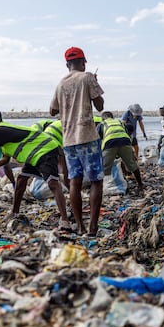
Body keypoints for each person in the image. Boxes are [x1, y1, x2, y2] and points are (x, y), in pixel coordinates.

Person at [0, 109, 73, 231]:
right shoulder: (4, 135)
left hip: (45, 150)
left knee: (53, 184)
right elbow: (4, 160)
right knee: (21, 181)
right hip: (33, 155)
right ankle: (14, 212)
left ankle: (65, 220)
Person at [50, 46, 105, 236]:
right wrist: (94, 84)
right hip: (87, 136)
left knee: (75, 182)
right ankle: (92, 228)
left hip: (69, 140)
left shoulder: (60, 84)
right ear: (83, 62)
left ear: (67, 64)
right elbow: (100, 106)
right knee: (97, 181)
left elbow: (52, 111)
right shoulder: (87, 77)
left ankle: (80, 226)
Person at [99, 111, 144, 190]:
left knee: (104, 167)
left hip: (110, 143)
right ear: (112, 117)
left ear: (103, 118)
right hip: (125, 141)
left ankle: (101, 187)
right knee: (132, 164)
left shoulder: (102, 124)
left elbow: (98, 138)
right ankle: (140, 184)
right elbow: (127, 132)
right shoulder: (120, 122)